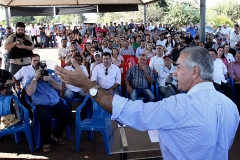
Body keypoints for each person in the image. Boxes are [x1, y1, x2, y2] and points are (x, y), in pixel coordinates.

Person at [55, 46, 239, 159]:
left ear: (195, 71)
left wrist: (87, 85)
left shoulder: (181, 105)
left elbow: (130, 110)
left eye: (178, 67)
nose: (174, 73)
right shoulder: (231, 107)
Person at [25, 62, 72, 152]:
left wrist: (51, 80)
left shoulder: (51, 76)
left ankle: (56, 135)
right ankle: (46, 142)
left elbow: (60, 88)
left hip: (55, 103)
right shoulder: (30, 79)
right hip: (42, 105)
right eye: (40, 70)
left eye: (44, 69)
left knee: (68, 116)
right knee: (46, 119)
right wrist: (35, 78)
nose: (43, 71)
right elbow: (29, 93)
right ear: (35, 70)